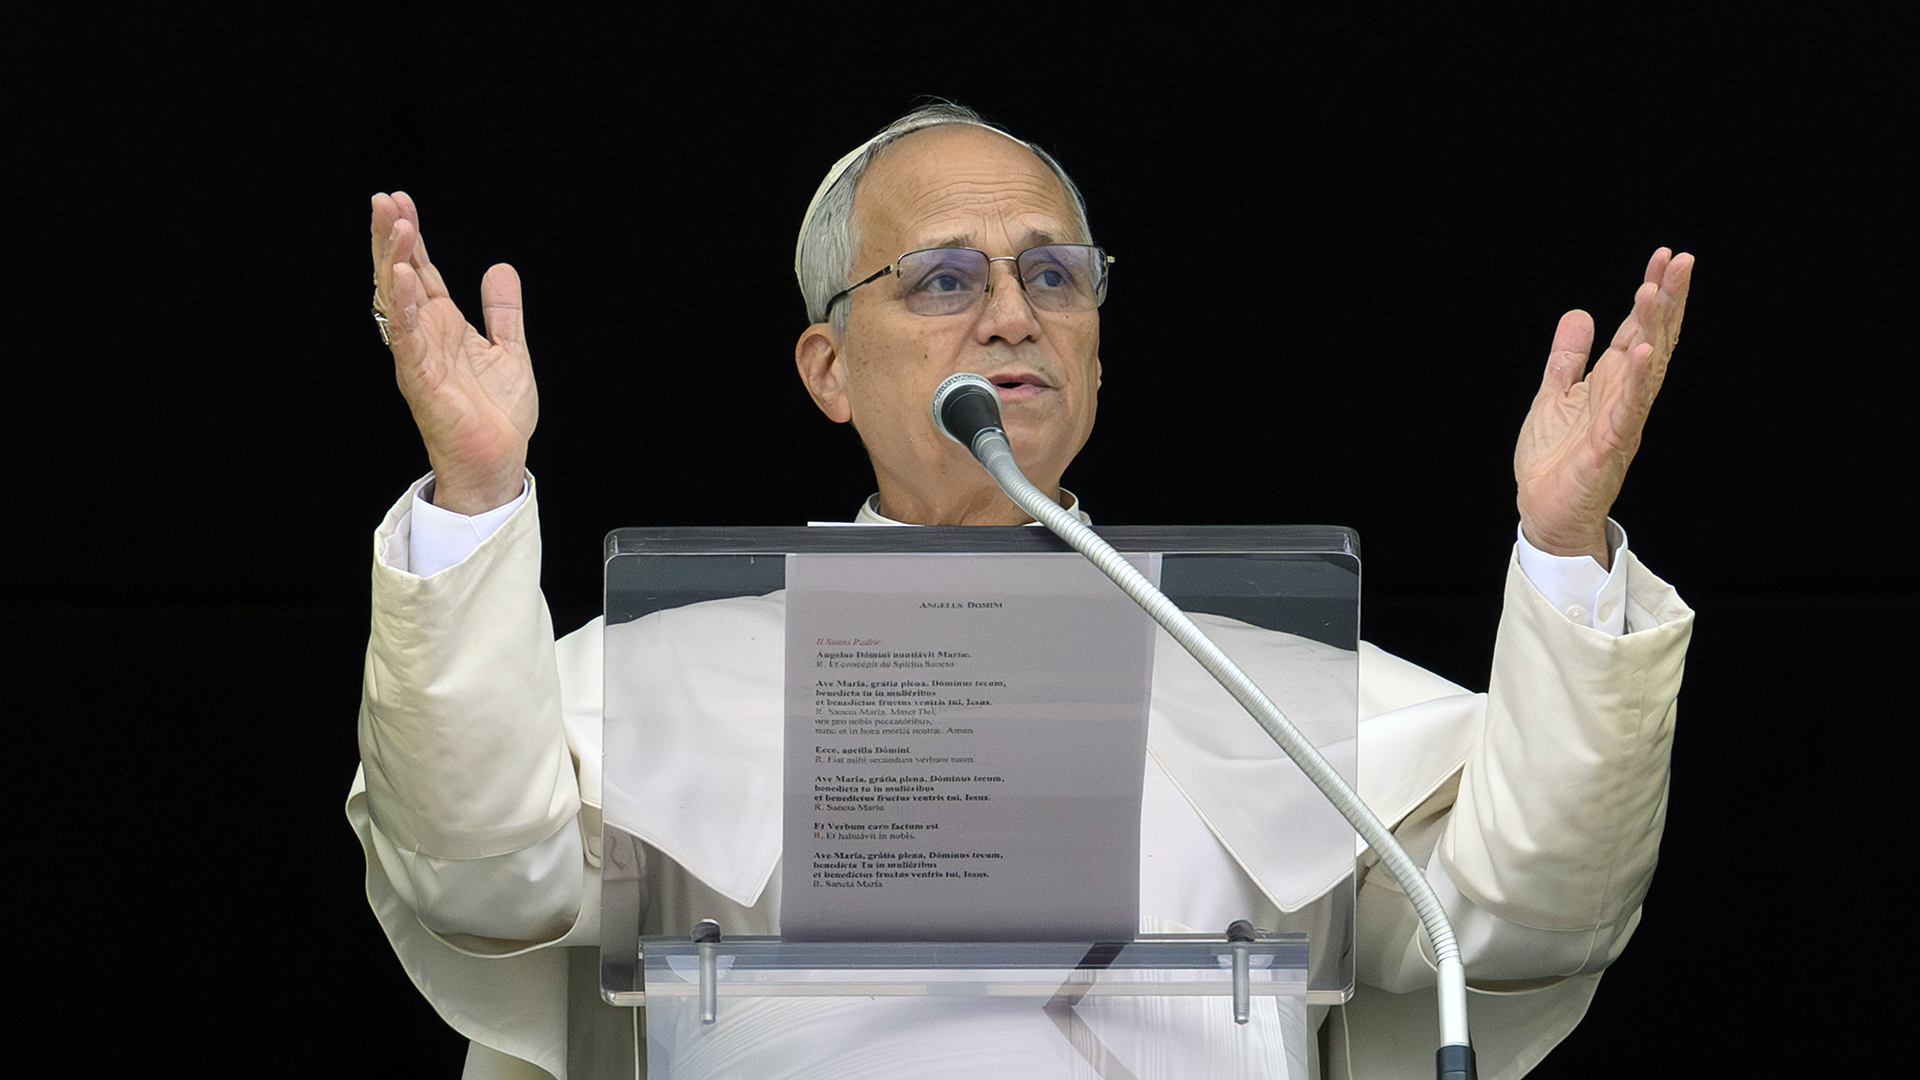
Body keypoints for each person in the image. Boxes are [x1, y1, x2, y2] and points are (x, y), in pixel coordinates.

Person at [351, 104, 1694, 1079]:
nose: (1012, 314)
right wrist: (475, 500)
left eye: (1054, 274)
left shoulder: (1266, 683)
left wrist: (1567, 547)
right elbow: (480, 882)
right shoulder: (666, 674)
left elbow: (1526, 916)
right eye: (946, 278)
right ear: (828, 368)